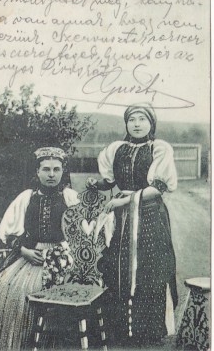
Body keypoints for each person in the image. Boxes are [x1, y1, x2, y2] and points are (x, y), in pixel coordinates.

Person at [0, 147, 79, 351]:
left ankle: (51, 344)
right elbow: (8, 232)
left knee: (61, 293)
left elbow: (83, 231)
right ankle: (15, 344)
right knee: (8, 286)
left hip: (64, 258)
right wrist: (24, 250)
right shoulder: (26, 197)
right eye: (46, 169)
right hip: (30, 256)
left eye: (56, 169)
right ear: (37, 172)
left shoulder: (70, 197)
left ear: (62, 172)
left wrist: (65, 251)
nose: (51, 174)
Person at [87, 103, 178, 347]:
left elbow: (157, 189)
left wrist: (124, 200)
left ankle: (147, 331)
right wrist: (97, 185)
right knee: (117, 266)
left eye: (142, 119)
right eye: (132, 120)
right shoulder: (117, 149)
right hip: (122, 217)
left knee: (149, 269)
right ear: (126, 123)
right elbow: (110, 181)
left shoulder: (159, 148)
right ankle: (118, 329)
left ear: (151, 123)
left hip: (149, 215)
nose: (137, 124)